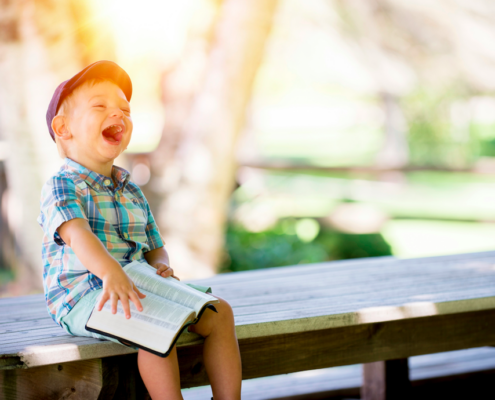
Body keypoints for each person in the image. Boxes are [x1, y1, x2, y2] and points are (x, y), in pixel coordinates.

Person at [38, 60, 242, 400]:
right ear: (63, 128)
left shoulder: (129, 187)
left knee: (220, 312)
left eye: (125, 109)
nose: (118, 114)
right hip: (84, 295)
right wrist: (111, 272)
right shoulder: (62, 185)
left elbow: (153, 244)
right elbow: (78, 235)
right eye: (100, 106)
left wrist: (161, 263)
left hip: (136, 282)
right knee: (155, 327)